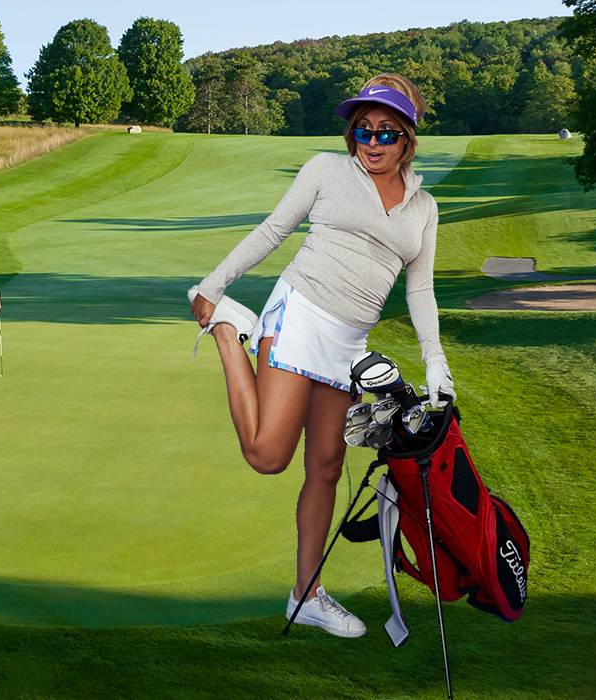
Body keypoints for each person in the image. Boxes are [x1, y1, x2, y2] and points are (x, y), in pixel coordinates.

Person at [187, 73, 455, 638]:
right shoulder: (326, 171)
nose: (373, 142)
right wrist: (213, 286)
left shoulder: (424, 207)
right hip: (301, 313)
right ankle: (229, 331)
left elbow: (420, 290)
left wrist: (437, 364)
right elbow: (273, 230)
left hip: (349, 343)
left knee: (327, 468)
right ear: (351, 134)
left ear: (407, 138)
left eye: (386, 132)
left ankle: (304, 594)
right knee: (267, 455)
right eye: (363, 130)